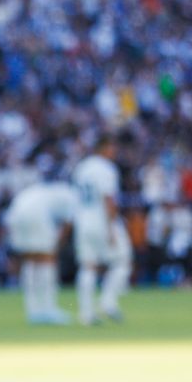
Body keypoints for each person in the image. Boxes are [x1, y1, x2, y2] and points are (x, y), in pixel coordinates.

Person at [71, 138, 131, 325]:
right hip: (102, 220)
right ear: (103, 148)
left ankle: (86, 314)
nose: (114, 151)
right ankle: (107, 301)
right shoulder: (106, 168)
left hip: (83, 220)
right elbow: (108, 199)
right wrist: (112, 227)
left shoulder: (81, 168)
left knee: (88, 266)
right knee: (123, 261)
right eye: (112, 147)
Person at [1, 180, 78, 324]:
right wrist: (56, 248)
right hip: (36, 214)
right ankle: (49, 309)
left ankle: (33, 310)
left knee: (30, 260)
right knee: (47, 259)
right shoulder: (73, 197)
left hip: (16, 212)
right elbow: (68, 225)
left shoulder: (51, 190)